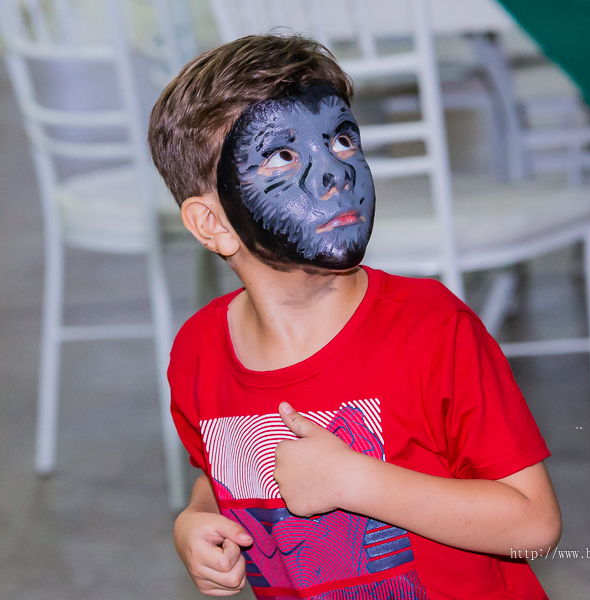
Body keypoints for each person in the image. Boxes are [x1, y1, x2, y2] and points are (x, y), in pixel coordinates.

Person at [148, 33, 562, 599]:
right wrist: (193, 520)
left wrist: (356, 482)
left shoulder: (433, 331)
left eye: (342, 141)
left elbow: (533, 526)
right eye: (284, 156)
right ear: (212, 223)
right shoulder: (199, 353)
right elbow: (217, 471)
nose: (335, 174)